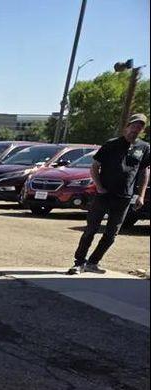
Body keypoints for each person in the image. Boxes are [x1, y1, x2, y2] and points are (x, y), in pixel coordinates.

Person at [69, 113, 149, 274]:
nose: (135, 129)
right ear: (127, 127)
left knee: (112, 233)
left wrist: (140, 195)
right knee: (91, 229)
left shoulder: (144, 147)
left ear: (142, 129)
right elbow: (94, 167)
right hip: (104, 194)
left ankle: (93, 262)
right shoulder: (111, 144)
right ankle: (79, 262)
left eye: (139, 127)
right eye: (133, 125)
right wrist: (99, 186)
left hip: (125, 197)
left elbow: (144, 171)